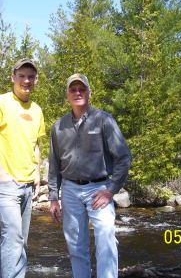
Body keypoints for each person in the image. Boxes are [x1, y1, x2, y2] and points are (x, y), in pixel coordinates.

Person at [48, 73, 132, 278]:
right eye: (73, 89)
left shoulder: (103, 120)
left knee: (106, 238)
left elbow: (123, 157)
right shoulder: (58, 126)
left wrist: (111, 190)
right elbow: (54, 164)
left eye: (82, 89)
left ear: (89, 93)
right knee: (76, 245)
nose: (77, 93)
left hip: (98, 189)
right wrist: (53, 197)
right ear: (67, 95)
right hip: (69, 190)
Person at [0, 58, 45, 278]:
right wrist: (2, 175)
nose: (27, 80)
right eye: (22, 75)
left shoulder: (36, 110)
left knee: (19, 241)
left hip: (27, 186)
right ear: (13, 77)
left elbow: (35, 144)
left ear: (35, 80)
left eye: (31, 76)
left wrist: (37, 174)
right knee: (13, 236)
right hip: (6, 185)